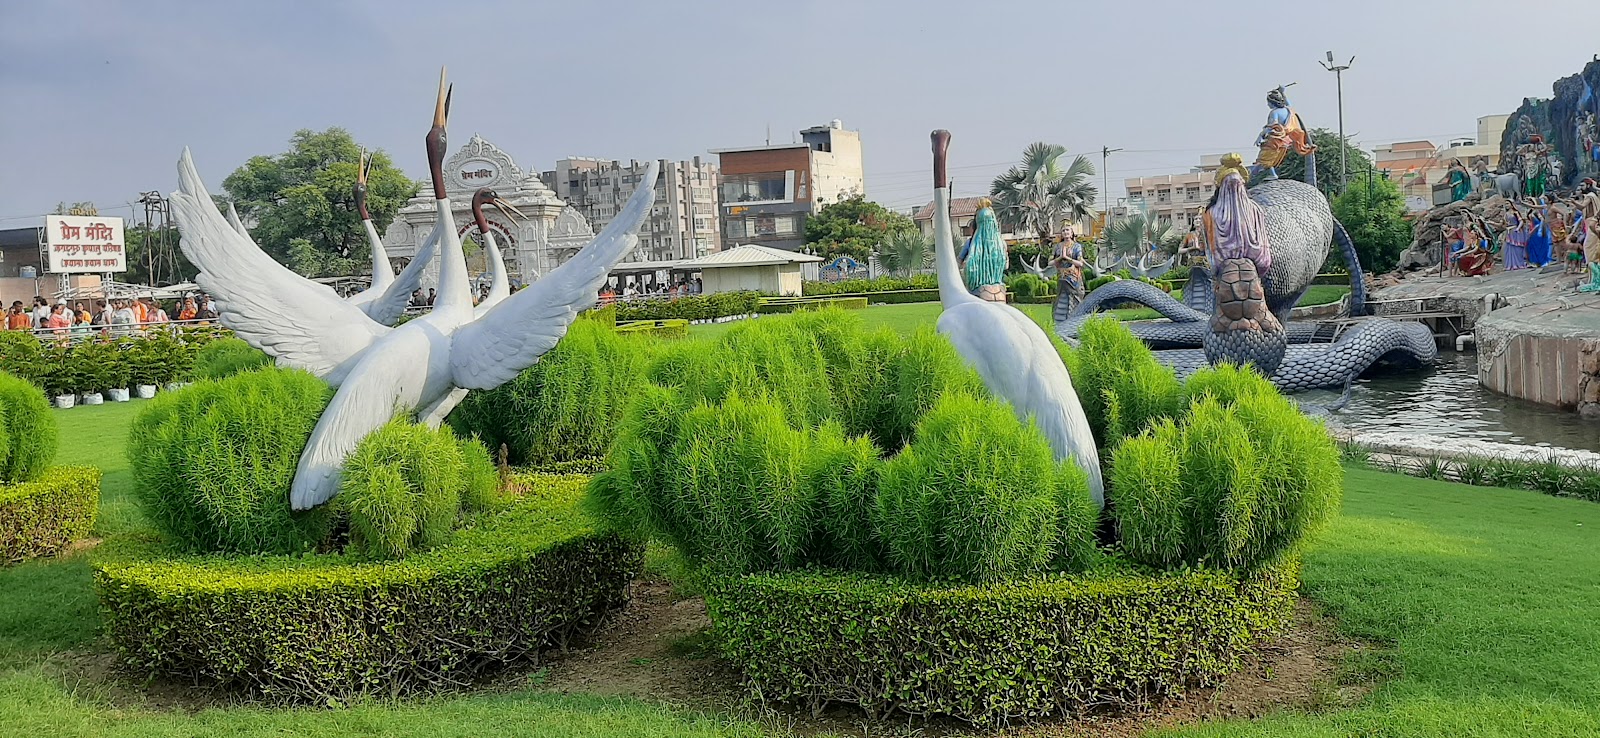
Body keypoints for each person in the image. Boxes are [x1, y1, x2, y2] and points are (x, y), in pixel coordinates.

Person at [1202, 154, 1272, 272]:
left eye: (1237, 185)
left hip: (1227, 267)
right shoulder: (1256, 210)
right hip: (1251, 265)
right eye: (1230, 185)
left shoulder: (1211, 213)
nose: (1234, 189)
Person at [1251, 86, 1316, 181]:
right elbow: (1288, 103)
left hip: (1277, 140)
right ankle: (1269, 173)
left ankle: (1269, 174)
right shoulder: (1288, 110)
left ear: (1272, 102)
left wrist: (1260, 135)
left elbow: (1272, 125)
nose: (1267, 105)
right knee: (1271, 160)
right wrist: (1283, 92)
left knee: (1263, 159)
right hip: (1287, 140)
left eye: (1268, 102)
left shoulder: (1274, 113)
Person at [1052, 222, 1089, 312]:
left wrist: (1068, 258)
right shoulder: (1057, 247)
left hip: (1074, 279)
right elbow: (1050, 262)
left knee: (1076, 302)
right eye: (1063, 230)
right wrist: (1060, 258)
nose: (1065, 232)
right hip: (1062, 278)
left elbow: (1080, 263)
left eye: (1067, 230)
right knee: (1061, 303)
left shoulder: (1076, 246)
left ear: (1072, 232)